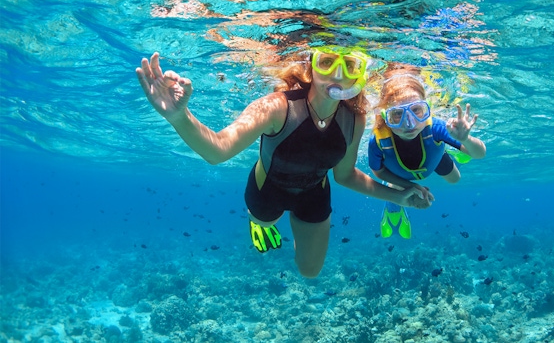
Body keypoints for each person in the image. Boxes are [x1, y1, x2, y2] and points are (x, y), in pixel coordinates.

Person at [136, 50, 432, 278]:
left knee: (310, 272)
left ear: (358, 75)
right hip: (268, 189)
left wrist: (399, 195)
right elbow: (218, 150)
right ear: (312, 66)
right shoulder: (277, 106)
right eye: (327, 62)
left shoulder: (354, 119)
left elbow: (344, 176)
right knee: (264, 222)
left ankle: (287, 232)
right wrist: (178, 117)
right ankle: (258, 222)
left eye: (350, 66)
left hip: (315, 193)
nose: (338, 75)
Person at [368, 64, 486, 239]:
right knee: (396, 189)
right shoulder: (378, 141)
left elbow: (479, 154)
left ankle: (453, 147)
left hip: (434, 157)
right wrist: (411, 187)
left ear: (427, 109)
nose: (409, 124)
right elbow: (378, 172)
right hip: (399, 174)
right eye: (397, 115)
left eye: (417, 111)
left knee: (455, 179)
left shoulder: (436, 127)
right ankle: (393, 210)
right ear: (386, 117)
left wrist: (465, 139)